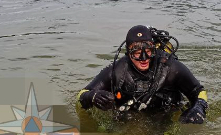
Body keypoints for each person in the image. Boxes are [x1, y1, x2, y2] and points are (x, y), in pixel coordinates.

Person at [77, 25, 208, 124]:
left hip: (165, 113)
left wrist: (199, 107)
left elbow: (199, 91)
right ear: (128, 53)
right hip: (130, 114)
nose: (144, 58)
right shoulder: (117, 70)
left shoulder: (171, 67)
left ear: (154, 50)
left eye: (148, 51)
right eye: (137, 53)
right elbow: (81, 95)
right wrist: (92, 96)